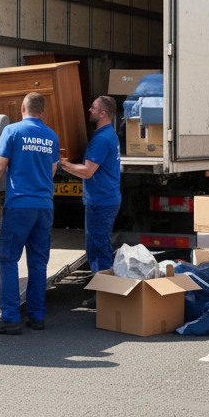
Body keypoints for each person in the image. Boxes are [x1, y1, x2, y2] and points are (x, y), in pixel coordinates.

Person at [0, 92, 59, 334]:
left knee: (8, 259)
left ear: (23, 108)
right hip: (44, 207)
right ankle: (36, 316)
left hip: (20, 206)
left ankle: (11, 317)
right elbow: (52, 171)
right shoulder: (51, 136)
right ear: (42, 112)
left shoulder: (12, 131)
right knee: (38, 262)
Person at [58, 96, 120, 310]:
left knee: (99, 248)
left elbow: (87, 171)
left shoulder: (102, 139)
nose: (89, 109)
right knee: (96, 247)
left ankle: (105, 295)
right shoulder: (106, 135)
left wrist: (62, 165)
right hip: (103, 199)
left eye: (93, 107)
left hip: (101, 202)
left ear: (103, 113)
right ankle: (103, 291)